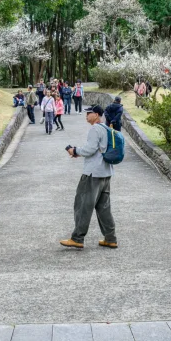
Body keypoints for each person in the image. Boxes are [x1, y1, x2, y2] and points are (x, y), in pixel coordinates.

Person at [61, 105, 117, 249]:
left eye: (89, 113)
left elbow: (90, 149)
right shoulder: (106, 128)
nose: (86, 115)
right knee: (104, 207)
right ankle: (110, 238)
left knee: (82, 205)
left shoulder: (95, 129)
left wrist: (75, 150)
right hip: (105, 172)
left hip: (93, 173)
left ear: (97, 115)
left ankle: (77, 238)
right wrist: (79, 153)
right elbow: (97, 150)